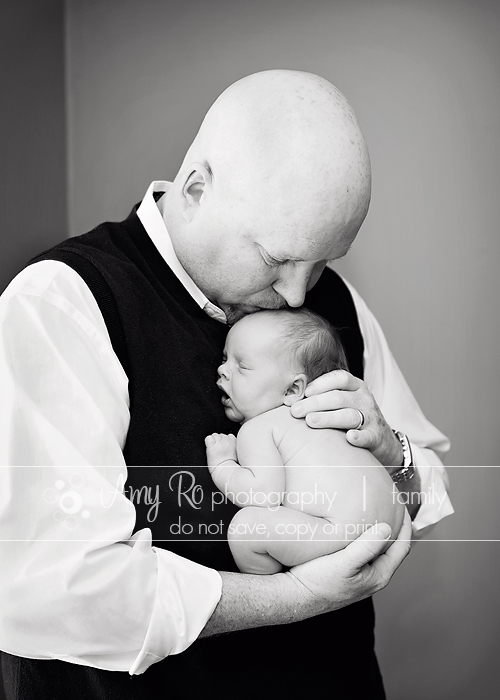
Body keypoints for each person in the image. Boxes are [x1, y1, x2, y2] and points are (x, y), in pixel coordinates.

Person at [0, 70, 452, 699]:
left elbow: (422, 492)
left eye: (322, 261)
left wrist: (391, 453)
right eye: (278, 260)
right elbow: (56, 589)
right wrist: (293, 596)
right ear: (195, 189)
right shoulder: (64, 304)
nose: (299, 293)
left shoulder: (333, 304)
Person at [205, 308, 406, 574]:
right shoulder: (333, 414)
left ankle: (272, 587)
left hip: (340, 528)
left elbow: (262, 495)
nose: (222, 370)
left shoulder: (258, 428)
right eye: (224, 358)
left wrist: (223, 464)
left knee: (246, 528)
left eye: (241, 366)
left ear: (292, 390)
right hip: (396, 516)